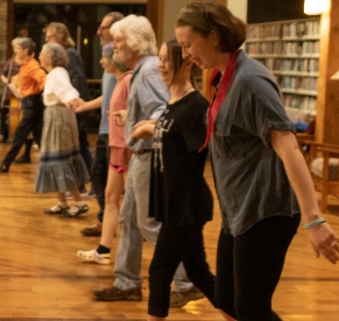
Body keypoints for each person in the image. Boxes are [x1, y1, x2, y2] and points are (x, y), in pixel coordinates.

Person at [175, 1, 339, 319]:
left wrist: (314, 219)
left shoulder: (250, 82)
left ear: (212, 36)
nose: (186, 54)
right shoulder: (221, 77)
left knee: (251, 308)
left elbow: (289, 147)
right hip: (239, 213)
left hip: (267, 213)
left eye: (188, 44)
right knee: (226, 300)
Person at [92, 15, 202, 308]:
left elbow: (163, 113)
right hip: (140, 156)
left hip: (149, 157)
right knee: (129, 221)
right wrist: (131, 118)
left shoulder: (150, 70)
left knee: (149, 224)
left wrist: (143, 125)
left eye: (118, 40)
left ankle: (187, 281)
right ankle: (127, 282)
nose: (112, 46)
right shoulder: (141, 71)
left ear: (135, 43)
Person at [130, 39, 230, 321]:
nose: (160, 65)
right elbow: (170, 131)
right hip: (174, 203)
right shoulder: (173, 103)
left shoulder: (195, 106)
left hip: (186, 206)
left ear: (186, 62)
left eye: (165, 60)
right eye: (158, 59)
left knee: (159, 272)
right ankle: (239, 316)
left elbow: (203, 153)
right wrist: (151, 126)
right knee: (199, 272)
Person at [76, 43, 131, 265]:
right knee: (110, 197)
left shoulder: (128, 80)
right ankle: (103, 249)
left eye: (106, 57)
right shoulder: (118, 81)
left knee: (131, 205)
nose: (101, 61)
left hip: (125, 148)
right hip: (115, 146)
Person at [74, 11, 126, 237]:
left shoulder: (121, 58)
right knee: (99, 177)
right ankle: (107, 222)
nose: (98, 31)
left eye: (103, 27)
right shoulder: (109, 57)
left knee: (109, 180)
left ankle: (118, 223)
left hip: (117, 132)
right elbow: (108, 96)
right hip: (106, 131)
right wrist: (85, 106)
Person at [35, 43, 91, 217]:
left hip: (59, 117)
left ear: (50, 57)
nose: (39, 57)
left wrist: (71, 100)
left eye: (42, 54)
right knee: (56, 157)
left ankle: (79, 202)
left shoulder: (57, 73)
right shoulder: (54, 73)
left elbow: (68, 91)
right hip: (55, 115)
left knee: (60, 159)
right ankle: (62, 201)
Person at [45, 22, 93, 174]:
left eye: (49, 37)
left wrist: (69, 100)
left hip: (75, 106)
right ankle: (89, 179)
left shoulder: (69, 53)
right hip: (74, 105)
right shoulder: (68, 53)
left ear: (59, 38)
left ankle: (81, 182)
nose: (46, 40)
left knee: (76, 145)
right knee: (81, 144)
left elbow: (76, 78)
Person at [0, 37, 46, 172]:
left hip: (33, 104)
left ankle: (6, 164)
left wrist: (44, 92)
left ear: (26, 50)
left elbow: (43, 79)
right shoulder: (24, 65)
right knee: (39, 136)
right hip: (30, 103)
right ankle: (50, 163)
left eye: (17, 48)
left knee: (20, 134)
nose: (15, 51)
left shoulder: (32, 65)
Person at [0, 56, 20, 144]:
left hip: (21, 92)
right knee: (2, 107)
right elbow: (2, 73)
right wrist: (6, 80)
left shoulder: (27, 63)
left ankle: (19, 134)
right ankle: (4, 134)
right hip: (9, 92)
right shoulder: (11, 62)